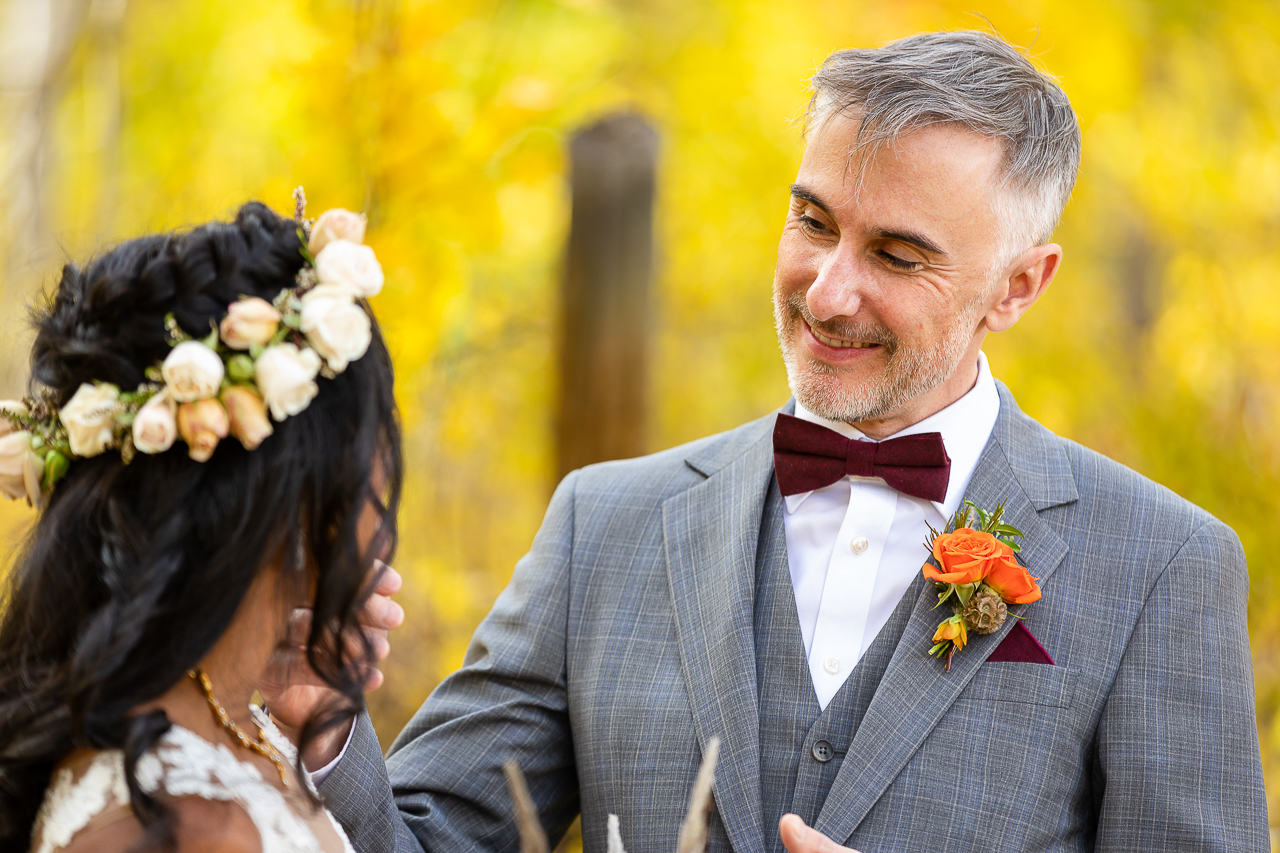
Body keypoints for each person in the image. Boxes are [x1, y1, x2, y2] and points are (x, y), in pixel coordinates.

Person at [298, 31, 1268, 853]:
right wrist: (319, 709)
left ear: (1018, 285)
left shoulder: (1160, 568)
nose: (826, 290)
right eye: (811, 221)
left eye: (895, 254)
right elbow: (415, 838)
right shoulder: (601, 528)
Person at [0, 200, 406, 853]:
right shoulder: (190, 824)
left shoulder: (230, 719)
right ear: (298, 480)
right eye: (372, 435)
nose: (380, 477)